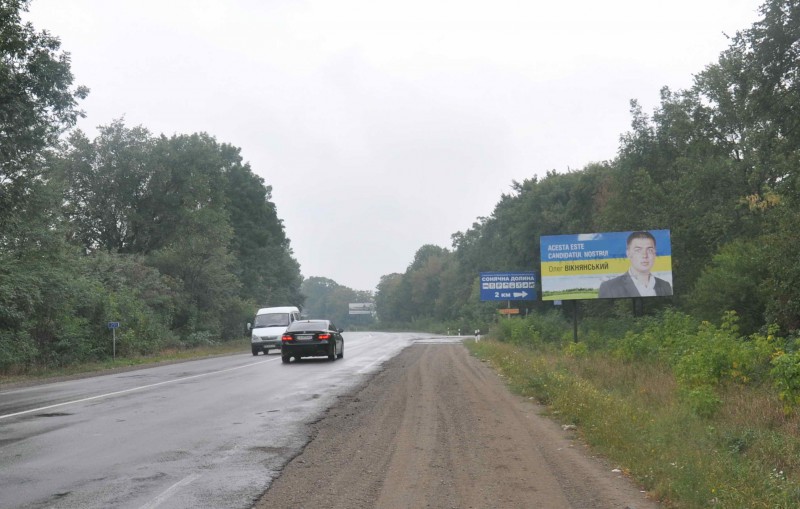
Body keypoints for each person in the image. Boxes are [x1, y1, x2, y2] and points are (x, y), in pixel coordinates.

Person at [598, 231, 672, 298]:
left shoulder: (665, 286)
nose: (645, 255)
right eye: (638, 250)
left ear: (655, 254)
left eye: (650, 250)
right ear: (628, 254)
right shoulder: (609, 288)